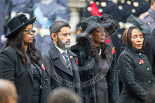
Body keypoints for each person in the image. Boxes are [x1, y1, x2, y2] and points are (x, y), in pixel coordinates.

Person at [0, 14, 50, 103]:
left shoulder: (36, 52)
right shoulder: (8, 54)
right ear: (18, 34)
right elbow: (9, 87)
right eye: (27, 31)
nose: (31, 33)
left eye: (32, 30)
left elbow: (45, 79)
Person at [70, 14, 119, 103]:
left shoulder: (109, 51)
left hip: (106, 94)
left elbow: (114, 80)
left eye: (104, 30)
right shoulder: (78, 51)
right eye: (98, 31)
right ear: (89, 34)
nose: (103, 34)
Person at [43, 21, 81, 97]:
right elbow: (47, 89)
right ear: (54, 36)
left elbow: (78, 84)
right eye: (65, 35)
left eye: (69, 34)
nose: (69, 38)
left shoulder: (73, 56)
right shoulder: (47, 57)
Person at [117, 26, 155, 103]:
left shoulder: (143, 56)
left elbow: (151, 79)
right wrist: (148, 97)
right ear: (127, 40)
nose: (139, 40)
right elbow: (130, 83)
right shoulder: (125, 56)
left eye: (141, 37)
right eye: (135, 37)